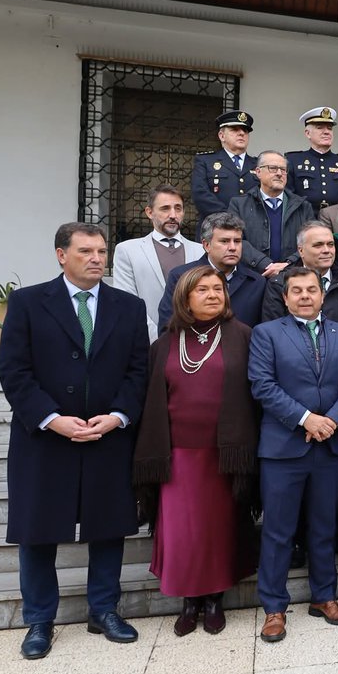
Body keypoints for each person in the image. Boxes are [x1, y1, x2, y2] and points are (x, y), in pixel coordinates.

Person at [0, 223, 149, 658]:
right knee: (38, 531)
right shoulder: (28, 302)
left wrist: (119, 416)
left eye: (102, 251)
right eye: (86, 251)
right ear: (61, 255)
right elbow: (14, 370)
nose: (97, 258)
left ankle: (104, 610)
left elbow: (138, 370)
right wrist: (50, 418)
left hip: (107, 435)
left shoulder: (128, 306)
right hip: (44, 438)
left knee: (109, 527)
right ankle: (39, 620)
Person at [133, 266, 258, 637]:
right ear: (184, 298)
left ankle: (215, 599)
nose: (212, 294)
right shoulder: (165, 343)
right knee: (183, 531)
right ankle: (190, 601)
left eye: (218, 288)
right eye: (202, 289)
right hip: (178, 455)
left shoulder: (244, 336)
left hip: (226, 454)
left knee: (218, 529)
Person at [249, 268, 338, 642]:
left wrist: (333, 421)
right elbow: (262, 385)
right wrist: (306, 419)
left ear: (323, 294)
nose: (304, 296)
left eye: (312, 289)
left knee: (324, 526)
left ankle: (324, 597)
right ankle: (274, 607)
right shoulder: (266, 334)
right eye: (296, 290)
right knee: (279, 532)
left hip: (331, 447)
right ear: (285, 297)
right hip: (284, 449)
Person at [112, 184, 205, 341]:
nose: (173, 215)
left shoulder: (201, 251)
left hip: (193, 342)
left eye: (178, 208)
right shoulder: (127, 250)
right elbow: (127, 300)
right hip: (144, 341)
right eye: (165, 209)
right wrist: (159, 339)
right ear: (149, 212)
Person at [158, 212, 265, 328]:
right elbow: (168, 326)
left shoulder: (256, 282)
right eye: (224, 241)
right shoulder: (181, 276)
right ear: (206, 245)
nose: (233, 248)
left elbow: (262, 330)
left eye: (237, 241)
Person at [227, 150, 315, 277]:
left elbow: (310, 240)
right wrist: (265, 264)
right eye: (273, 168)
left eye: (283, 169)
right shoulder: (239, 205)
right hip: (252, 276)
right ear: (258, 172)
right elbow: (236, 239)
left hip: (293, 276)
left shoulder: (303, 206)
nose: (279, 173)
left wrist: (288, 264)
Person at [262, 222, 338, 326]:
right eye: (318, 245)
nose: (327, 250)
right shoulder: (279, 284)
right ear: (301, 250)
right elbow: (273, 332)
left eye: (330, 244)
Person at [190, 110, 258, 227]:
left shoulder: (258, 164)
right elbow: (200, 194)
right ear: (222, 136)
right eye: (235, 129)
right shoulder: (205, 161)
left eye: (245, 130)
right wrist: (230, 217)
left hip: (250, 229)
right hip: (214, 227)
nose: (241, 133)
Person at [285, 106, 338, 211]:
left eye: (329, 128)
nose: (326, 132)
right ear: (308, 133)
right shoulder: (293, 160)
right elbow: (287, 196)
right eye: (320, 127)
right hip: (305, 220)